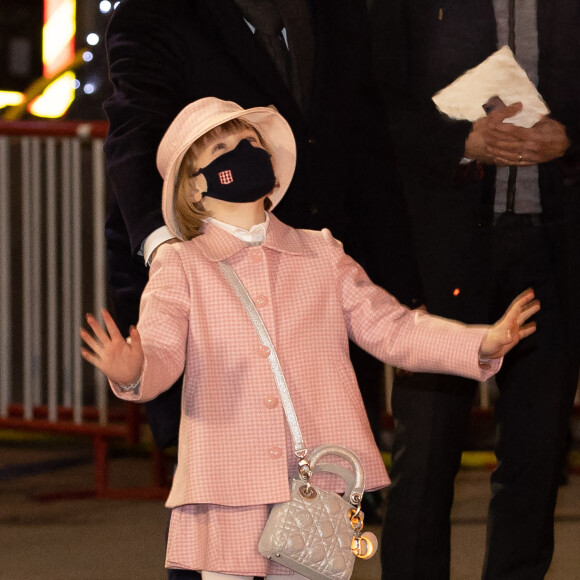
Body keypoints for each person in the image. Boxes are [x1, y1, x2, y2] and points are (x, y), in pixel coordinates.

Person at [82, 97, 538, 580]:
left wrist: (479, 343)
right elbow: (163, 351)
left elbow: (391, 327)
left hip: (318, 479)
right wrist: (133, 370)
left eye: (251, 142)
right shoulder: (181, 265)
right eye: (222, 146)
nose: (243, 150)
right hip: (227, 486)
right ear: (194, 189)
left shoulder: (322, 253)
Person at [103, 0, 419, 460]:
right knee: (230, 496)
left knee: (335, 497)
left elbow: (367, 151)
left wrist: (405, 292)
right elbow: (135, 134)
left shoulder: (338, 12)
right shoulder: (154, 12)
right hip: (217, 304)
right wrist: (166, 248)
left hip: (321, 306)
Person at [369, 1, 580, 578]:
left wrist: (571, 138)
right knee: (428, 454)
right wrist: (460, 143)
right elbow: (374, 98)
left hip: (551, 248)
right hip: (444, 249)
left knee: (537, 459)